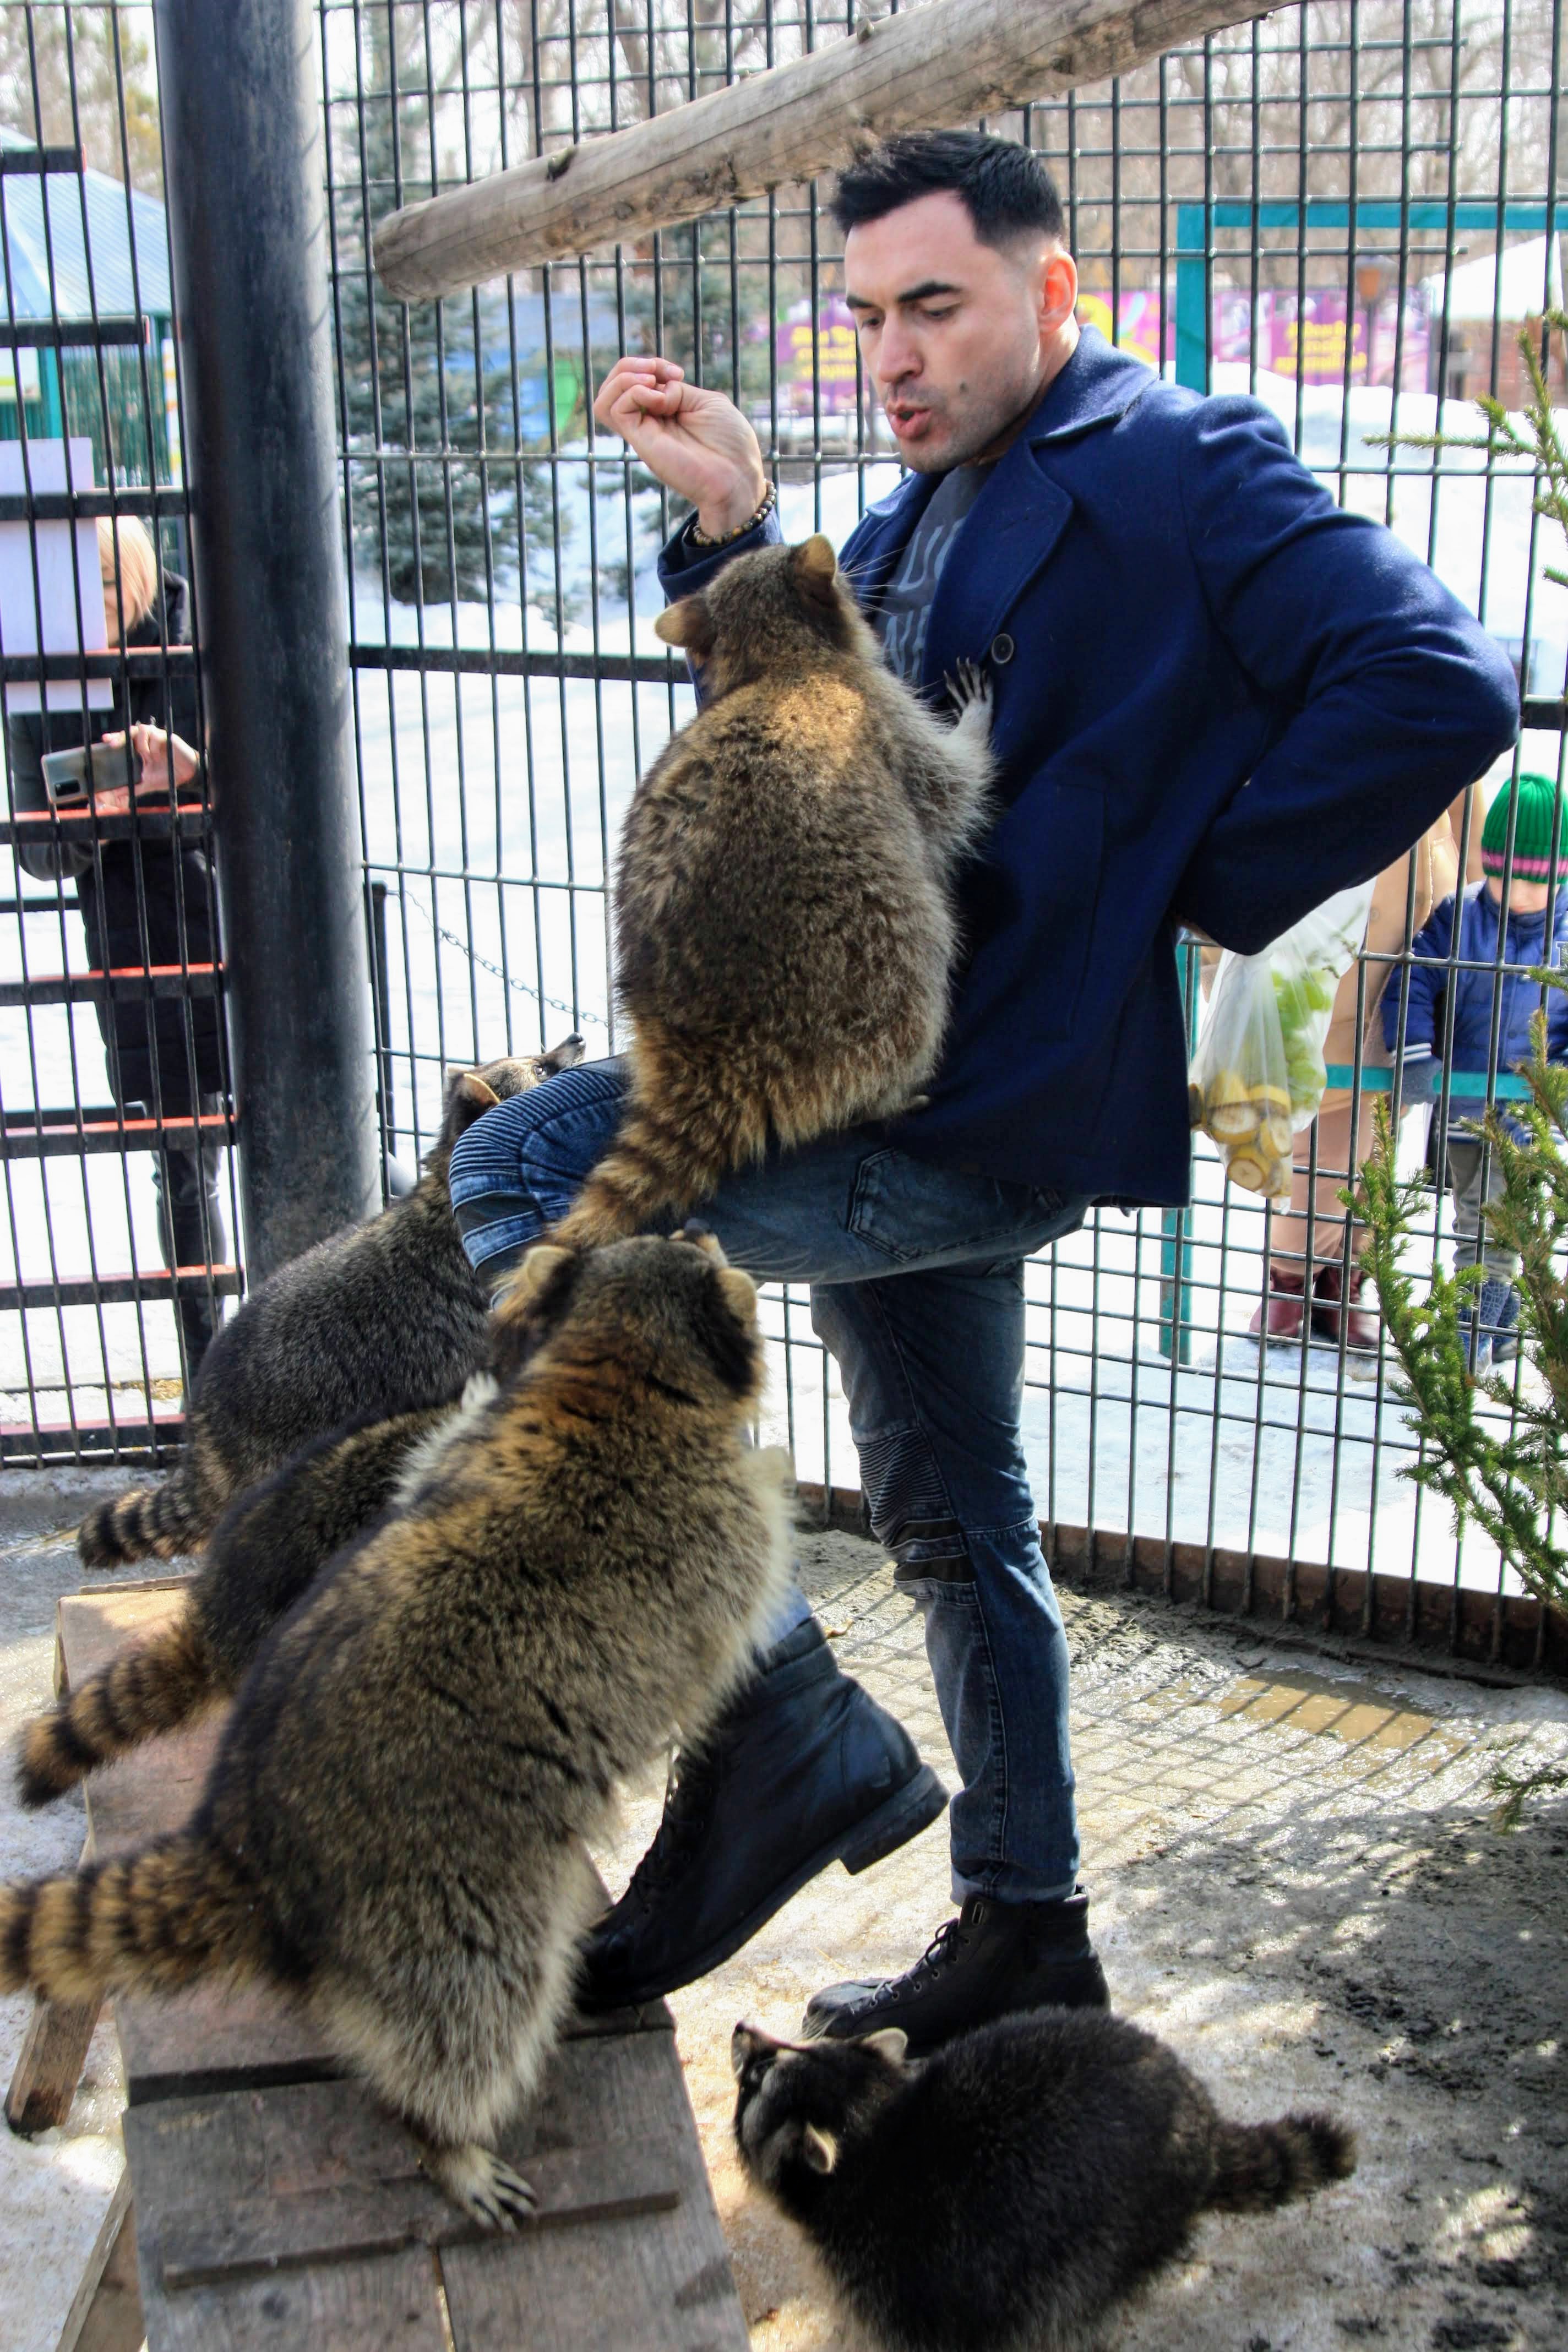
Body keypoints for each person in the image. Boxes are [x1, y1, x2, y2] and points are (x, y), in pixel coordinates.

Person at [447, 132, 1519, 2051]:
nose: (892, 354)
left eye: (932, 306)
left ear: (1052, 289)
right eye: (866, 315)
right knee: (955, 1522)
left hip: (963, 1109)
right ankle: (1026, 1928)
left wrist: (1175, 882)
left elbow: (1435, 683)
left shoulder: (1181, 463)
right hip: (890, 1083)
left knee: (523, 1173)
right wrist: (732, 523)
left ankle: (772, 1719)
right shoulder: (914, 507)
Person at [8, 515, 225, 1393]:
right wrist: (96, 815)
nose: (84, 605)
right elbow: (35, 849)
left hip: (249, 924)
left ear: (140, 567)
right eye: (64, 587)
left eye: (102, 581)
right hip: (138, 942)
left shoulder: (206, 633)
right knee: (184, 1168)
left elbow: (281, 791)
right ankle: (214, 1383)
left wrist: (192, 774)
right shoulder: (40, 670)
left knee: (327, 1125)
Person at [1250, 787, 1484, 1352]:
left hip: (1414, 936)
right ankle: (1290, 1276)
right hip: (1320, 933)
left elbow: (1469, 810)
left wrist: (1480, 919)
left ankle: (1344, 1278)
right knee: (1325, 1141)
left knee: (1377, 1137)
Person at [1384, 772, 1568, 1367]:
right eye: (1505, 877)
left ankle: (1470, 1335)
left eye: (1535, 882)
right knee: (1482, 1214)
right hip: (1464, 1107)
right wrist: (1414, 1051)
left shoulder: (1565, 933)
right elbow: (1413, 978)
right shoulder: (1459, 915)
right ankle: (1504, 1326)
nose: (1518, 894)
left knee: (1487, 1224)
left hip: (1529, 1117)